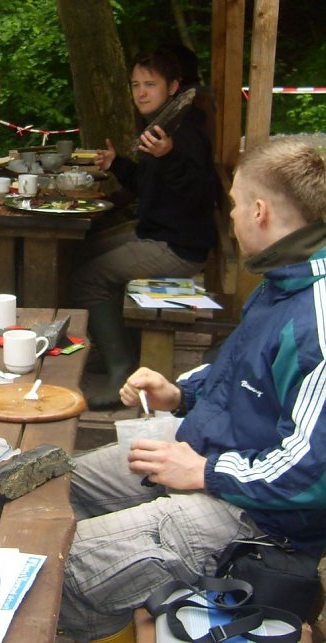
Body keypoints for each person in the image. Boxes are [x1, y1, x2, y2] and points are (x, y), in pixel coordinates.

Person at [58, 138, 326, 640]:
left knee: (54, 567)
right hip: (206, 455)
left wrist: (204, 471)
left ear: (260, 212)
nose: (231, 217)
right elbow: (242, 372)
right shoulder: (282, 279)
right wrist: (181, 394)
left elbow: (314, 471)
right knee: (57, 486)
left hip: (260, 521)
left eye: (235, 205)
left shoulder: (317, 313)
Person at [69, 48, 217, 409]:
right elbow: (148, 182)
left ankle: (122, 372)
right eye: (136, 84)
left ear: (174, 86)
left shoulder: (185, 134)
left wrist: (169, 157)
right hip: (156, 232)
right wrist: (117, 163)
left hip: (179, 247)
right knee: (77, 252)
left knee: (88, 278)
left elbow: (201, 193)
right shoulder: (164, 123)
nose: (141, 92)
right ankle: (114, 346)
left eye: (150, 84)